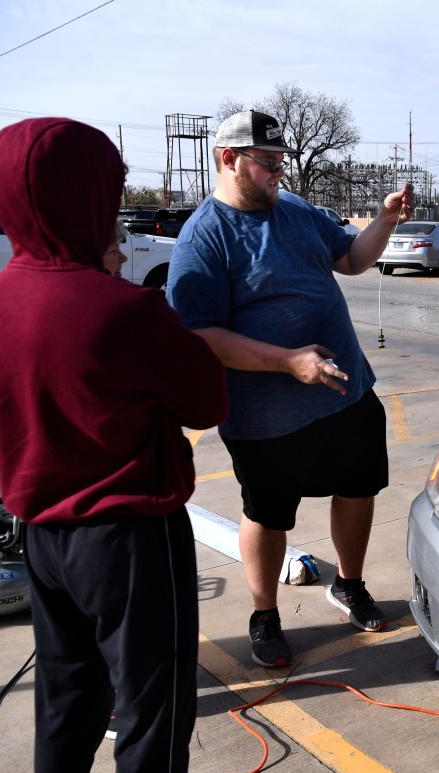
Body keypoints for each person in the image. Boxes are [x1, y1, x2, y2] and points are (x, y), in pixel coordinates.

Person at [0, 117, 227, 773]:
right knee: (151, 717)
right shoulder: (122, 306)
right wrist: (129, 297)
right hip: (129, 540)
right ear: (87, 199)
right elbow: (206, 401)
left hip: (44, 536)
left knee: (66, 704)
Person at [167, 109, 412, 667]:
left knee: (358, 489)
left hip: (346, 392)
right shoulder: (204, 238)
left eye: (282, 161)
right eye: (268, 162)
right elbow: (199, 336)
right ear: (230, 160)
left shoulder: (296, 210)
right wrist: (286, 362)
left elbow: (350, 258)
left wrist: (385, 220)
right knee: (268, 514)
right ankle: (265, 614)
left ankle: (348, 584)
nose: (280, 172)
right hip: (265, 417)